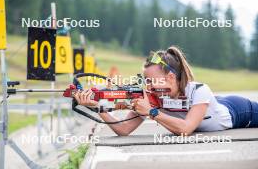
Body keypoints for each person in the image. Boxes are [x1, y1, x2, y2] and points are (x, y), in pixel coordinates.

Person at [74, 46, 258, 136]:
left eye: (151, 81)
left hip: (241, 111)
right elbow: (123, 130)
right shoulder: (152, 98)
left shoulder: (199, 90)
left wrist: (151, 112)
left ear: (170, 77)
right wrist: (99, 107)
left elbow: (186, 129)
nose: (148, 87)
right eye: (145, 81)